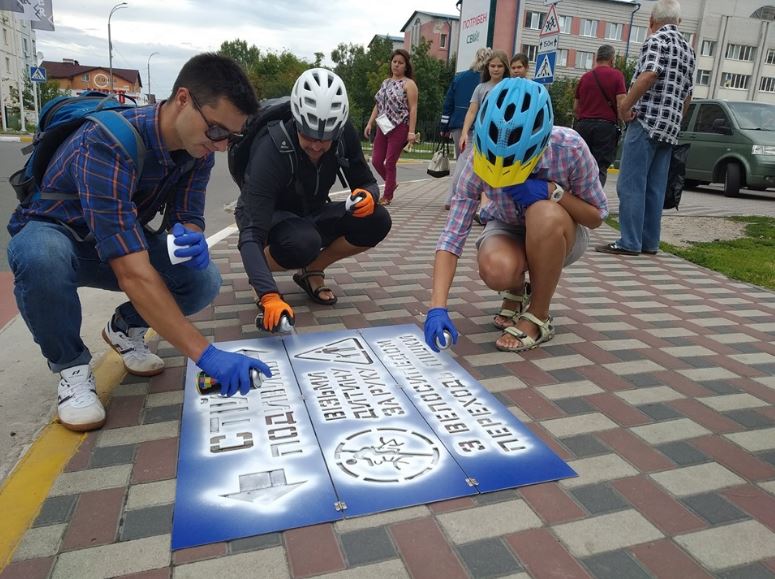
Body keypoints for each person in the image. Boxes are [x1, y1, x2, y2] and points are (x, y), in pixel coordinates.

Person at [6, 53, 268, 432]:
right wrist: (205, 355)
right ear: (182, 100)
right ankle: (72, 369)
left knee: (202, 280)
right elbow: (131, 271)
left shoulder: (199, 150)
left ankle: (124, 329)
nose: (223, 145)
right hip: (58, 234)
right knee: (42, 257)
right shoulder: (107, 141)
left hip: (112, 235)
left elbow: (188, 216)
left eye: (232, 136)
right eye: (217, 131)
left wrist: (190, 238)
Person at [424, 78, 609, 353]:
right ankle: (515, 291)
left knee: (543, 214)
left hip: (559, 232)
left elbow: (595, 217)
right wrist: (437, 307)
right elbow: (452, 236)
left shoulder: (569, 148)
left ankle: (539, 315)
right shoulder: (480, 157)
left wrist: (552, 191)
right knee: (496, 269)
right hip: (507, 225)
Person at [234, 68, 391, 327]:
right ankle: (261, 274)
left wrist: (367, 196)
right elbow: (251, 233)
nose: (317, 145)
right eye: (308, 135)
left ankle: (312, 270)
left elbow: (366, 182)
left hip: (312, 212)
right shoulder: (271, 149)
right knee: (302, 242)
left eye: (326, 138)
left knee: (377, 219)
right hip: (272, 217)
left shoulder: (344, 134)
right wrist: (268, 294)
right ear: (296, 120)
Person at [596, 0, 694, 256]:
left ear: (651, 21)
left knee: (630, 184)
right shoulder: (688, 50)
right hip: (669, 129)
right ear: (679, 22)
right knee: (655, 187)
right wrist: (676, 122)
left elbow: (649, 74)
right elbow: (687, 95)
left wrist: (625, 106)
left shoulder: (655, 41)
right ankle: (650, 242)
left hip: (646, 122)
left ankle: (629, 241)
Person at [459, 49, 511, 225]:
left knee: (499, 172)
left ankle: (497, 208)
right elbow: (472, 111)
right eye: (492, 66)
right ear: (487, 67)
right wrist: (465, 132)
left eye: (499, 66)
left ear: (505, 68)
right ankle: (483, 209)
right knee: (482, 171)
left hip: (504, 136)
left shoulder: (510, 86)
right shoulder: (481, 88)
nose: (495, 69)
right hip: (483, 135)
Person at [364, 49, 419, 206]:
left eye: (400, 63)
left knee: (390, 162)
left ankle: (387, 196)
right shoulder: (386, 82)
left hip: (400, 126)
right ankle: (391, 182)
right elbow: (378, 104)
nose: (396, 65)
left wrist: (411, 132)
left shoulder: (409, 84)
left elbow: (413, 108)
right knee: (376, 160)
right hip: (383, 125)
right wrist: (370, 122)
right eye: (394, 61)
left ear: (406, 66)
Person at [440, 47, 491, 211]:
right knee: (469, 162)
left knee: (461, 160)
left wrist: (444, 126)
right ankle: (455, 197)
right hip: (479, 126)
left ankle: (455, 196)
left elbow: (448, 102)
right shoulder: (487, 82)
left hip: (457, 124)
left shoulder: (460, 77)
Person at [573, 45, 627, 186]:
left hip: (583, 126)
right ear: (612, 58)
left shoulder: (585, 77)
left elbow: (575, 106)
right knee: (600, 167)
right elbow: (621, 102)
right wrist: (625, 119)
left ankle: (579, 201)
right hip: (605, 127)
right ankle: (595, 203)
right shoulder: (617, 76)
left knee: (582, 166)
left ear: (597, 58)